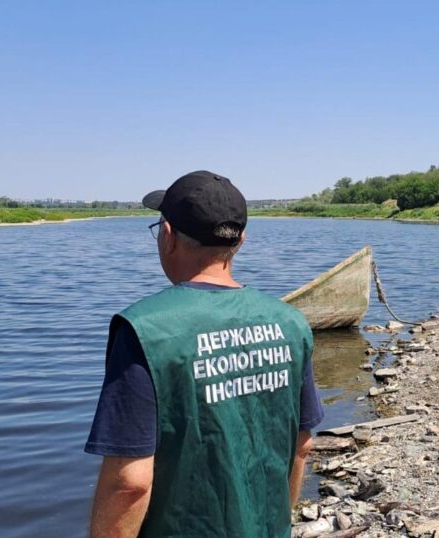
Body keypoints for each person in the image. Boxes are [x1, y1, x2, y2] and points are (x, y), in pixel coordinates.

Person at [85, 170, 324, 537]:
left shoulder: (143, 330)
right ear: (240, 241)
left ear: (167, 236)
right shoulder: (291, 323)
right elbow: (301, 445)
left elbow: (129, 483)